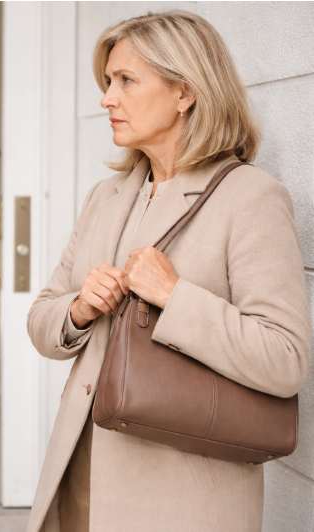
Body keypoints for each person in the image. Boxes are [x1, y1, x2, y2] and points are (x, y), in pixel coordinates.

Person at [25, 11, 311, 532]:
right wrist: (79, 309)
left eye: (126, 80)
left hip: (182, 496)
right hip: (82, 473)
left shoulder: (251, 198)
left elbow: (285, 359)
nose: (107, 98)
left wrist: (175, 296)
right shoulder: (107, 196)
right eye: (108, 81)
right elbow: (43, 318)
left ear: (185, 92)